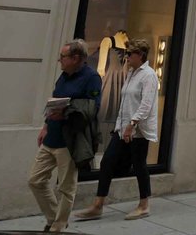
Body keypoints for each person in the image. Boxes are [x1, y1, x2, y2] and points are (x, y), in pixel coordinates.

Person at [75, 39, 159, 221]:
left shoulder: (149, 75)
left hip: (138, 130)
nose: (127, 57)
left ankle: (144, 205)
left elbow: (146, 104)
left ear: (140, 55)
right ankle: (98, 205)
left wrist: (132, 124)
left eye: (130, 54)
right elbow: (126, 102)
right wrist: (121, 125)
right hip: (122, 129)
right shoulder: (131, 73)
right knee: (107, 163)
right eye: (127, 53)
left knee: (139, 166)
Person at [28, 39, 102, 233]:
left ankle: (58, 226)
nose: (59, 60)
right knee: (35, 180)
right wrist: (45, 126)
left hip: (69, 141)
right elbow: (54, 101)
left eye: (63, 56)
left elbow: (92, 109)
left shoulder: (91, 77)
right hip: (51, 136)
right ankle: (54, 218)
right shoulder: (63, 76)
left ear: (75, 58)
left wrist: (66, 113)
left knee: (66, 188)